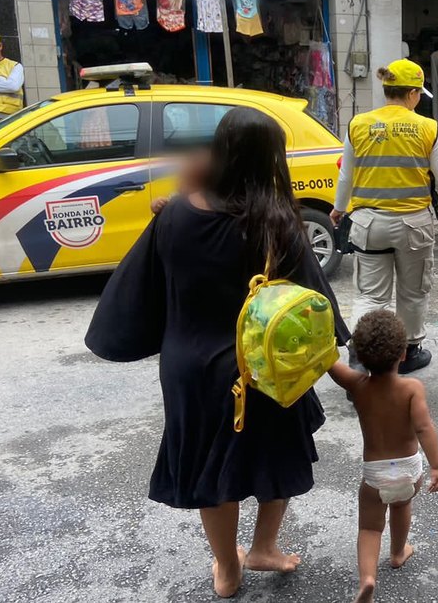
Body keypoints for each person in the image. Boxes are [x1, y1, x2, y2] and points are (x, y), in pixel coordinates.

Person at [85, 107, 350, 599]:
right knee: (278, 454)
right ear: (272, 158)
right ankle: (265, 546)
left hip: (190, 366)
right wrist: (341, 363)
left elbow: (140, 289)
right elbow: (315, 308)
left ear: (219, 150)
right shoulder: (280, 222)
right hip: (267, 369)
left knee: (213, 470)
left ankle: (227, 568)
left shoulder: (177, 214)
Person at [331, 59, 438, 375]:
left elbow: (346, 177)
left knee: (370, 296)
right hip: (413, 227)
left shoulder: (358, 124)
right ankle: (407, 352)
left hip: (368, 225)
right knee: (413, 291)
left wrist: (339, 209)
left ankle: (360, 355)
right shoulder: (427, 128)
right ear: (412, 93)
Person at [327, 310, 438, 603]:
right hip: (408, 470)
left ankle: (368, 579)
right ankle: (397, 552)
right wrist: (437, 466)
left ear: (360, 357)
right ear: (403, 354)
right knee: (401, 506)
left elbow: (327, 363)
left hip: (375, 476)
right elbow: (423, 427)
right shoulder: (411, 389)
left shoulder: (357, 386)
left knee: (369, 526)